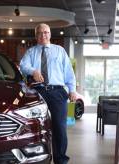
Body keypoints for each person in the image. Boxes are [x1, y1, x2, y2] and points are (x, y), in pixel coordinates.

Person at [19, 23, 76, 164]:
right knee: (36, 127)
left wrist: (72, 90)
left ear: (50, 34)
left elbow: (69, 72)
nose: (43, 35)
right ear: (36, 35)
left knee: (59, 128)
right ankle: (39, 157)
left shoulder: (60, 50)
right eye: (40, 32)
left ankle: (60, 160)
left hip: (57, 92)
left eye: (46, 32)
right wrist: (34, 71)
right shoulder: (31, 52)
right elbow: (23, 65)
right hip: (38, 92)